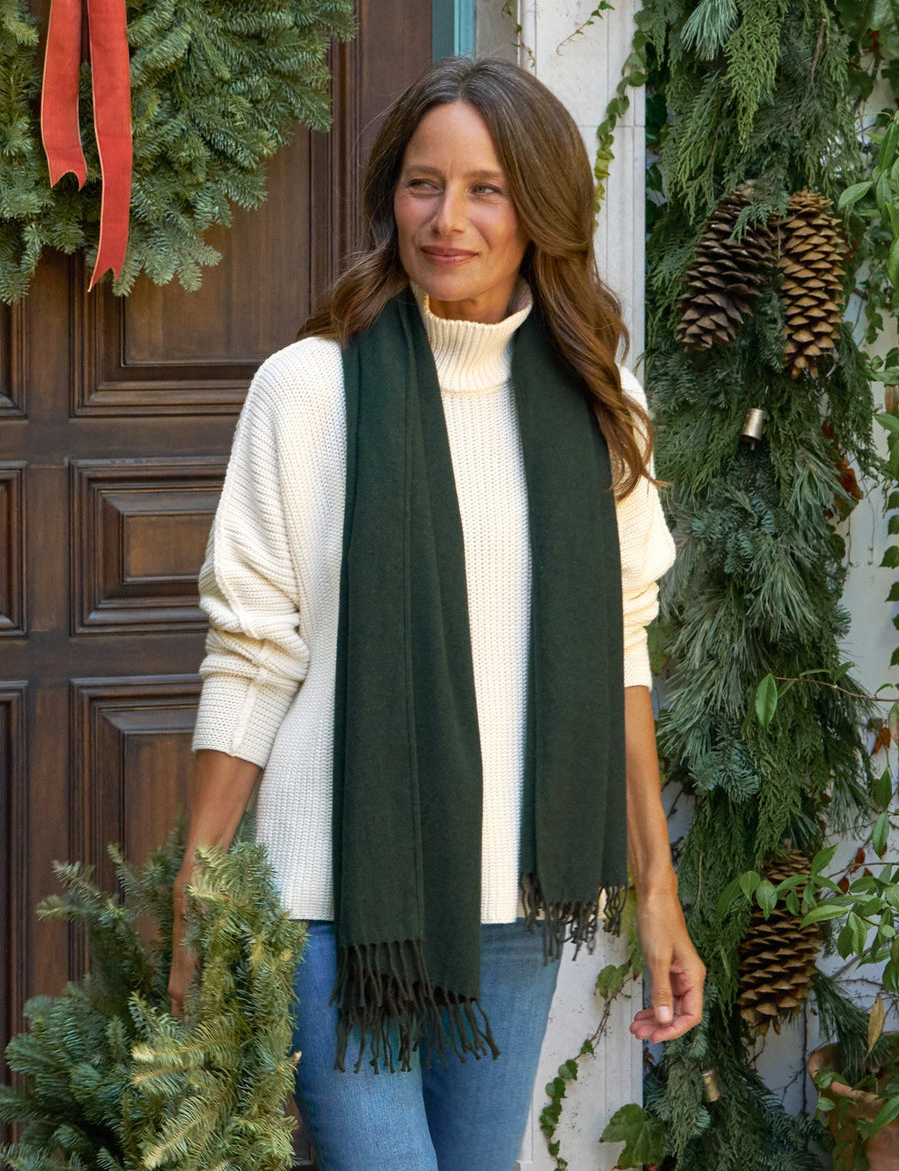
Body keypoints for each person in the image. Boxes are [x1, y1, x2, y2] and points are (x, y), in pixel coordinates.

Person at [169, 55, 705, 1171]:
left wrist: (660, 893)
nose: (445, 218)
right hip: (336, 905)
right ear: (390, 195)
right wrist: (198, 880)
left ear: (540, 212)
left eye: (485, 189)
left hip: (515, 907)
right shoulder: (310, 389)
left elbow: (620, 642)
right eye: (423, 184)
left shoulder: (597, 393)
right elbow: (254, 651)